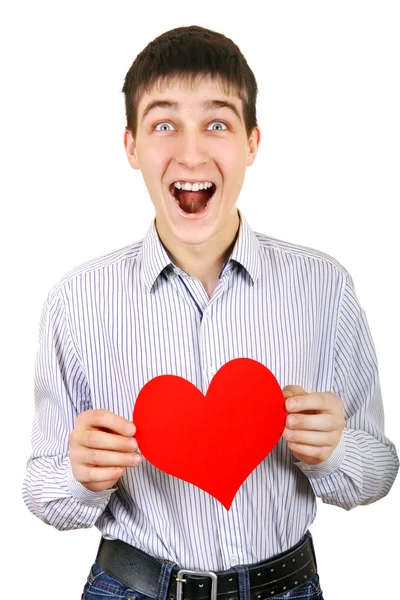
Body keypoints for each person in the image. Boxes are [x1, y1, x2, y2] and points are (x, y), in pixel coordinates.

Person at [23, 25, 399, 600]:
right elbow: (42, 490)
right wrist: (79, 475)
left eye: (217, 124)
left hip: (286, 588)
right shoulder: (75, 304)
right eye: (164, 124)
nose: (191, 151)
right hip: (130, 587)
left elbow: (376, 473)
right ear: (131, 146)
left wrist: (337, 448)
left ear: (252, 142)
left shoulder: (324, 287)